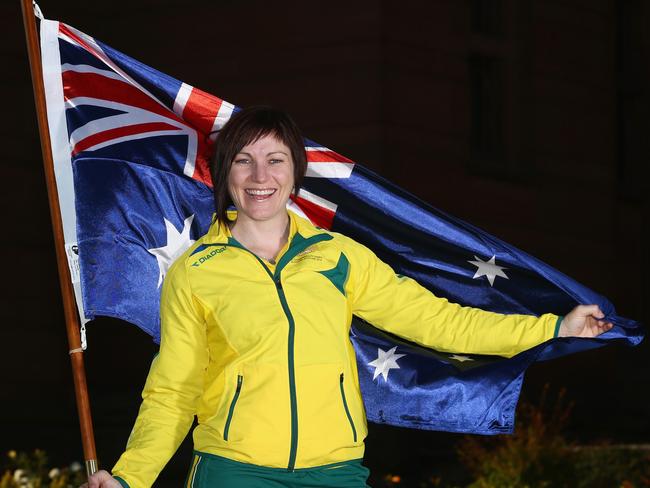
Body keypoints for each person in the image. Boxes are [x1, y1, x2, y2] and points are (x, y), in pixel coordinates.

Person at [84, 106, 612, 488]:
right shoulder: (196, 273)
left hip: (335, 471)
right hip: (233, 471)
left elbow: (438, 322)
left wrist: (552, 327)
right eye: (244, 161)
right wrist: (130, 478)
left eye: (275, 160)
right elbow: (173, 392)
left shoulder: (339, 256)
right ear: (225, 175)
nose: (260, 176)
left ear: (295, 174)